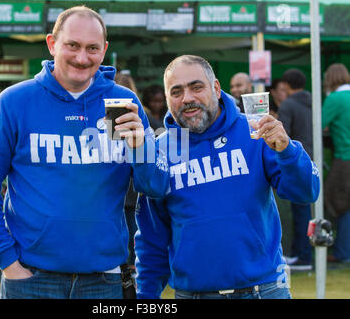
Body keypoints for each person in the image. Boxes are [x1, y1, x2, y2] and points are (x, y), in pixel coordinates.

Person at [0, 6, 169, 299]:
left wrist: (141, 146)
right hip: (31, 279)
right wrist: (7, 261)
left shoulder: (121, 102)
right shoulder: (15, 102)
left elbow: (156, 186)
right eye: (72, 45)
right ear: (52, 44)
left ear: (104, 50)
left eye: (92, 48)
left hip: (104, 280)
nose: (82, 57)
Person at [134, 55, 320, 299]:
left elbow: (306, 191)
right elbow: (151, 237)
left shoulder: (256, 132)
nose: (187, 98)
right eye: (176, 91)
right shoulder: (158, 153)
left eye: (196, 87)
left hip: (263, 291)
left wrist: (288, 151)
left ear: (217, 89)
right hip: (194, 294)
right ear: (168, 99)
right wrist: (145, 297)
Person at [278, 69, 314, 270]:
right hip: (313, 159)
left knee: (300, 210)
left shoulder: (288, 104)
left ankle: (302, 256)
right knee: (307, 210)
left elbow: (284, 136)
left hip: (296, 162)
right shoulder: (313, 101)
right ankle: (303, 253)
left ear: (286, 84)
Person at [322, 63, 350, 263]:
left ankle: (342, 252)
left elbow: (319, 125)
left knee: (340, 205)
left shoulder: (335, 99)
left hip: (344, 158)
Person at [114, 70, 139, 270]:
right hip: (133, 190)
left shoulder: (140, 117)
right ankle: (131, 272)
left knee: (126, 233)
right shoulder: (141, 115)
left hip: (119, 189)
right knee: (134, 234)